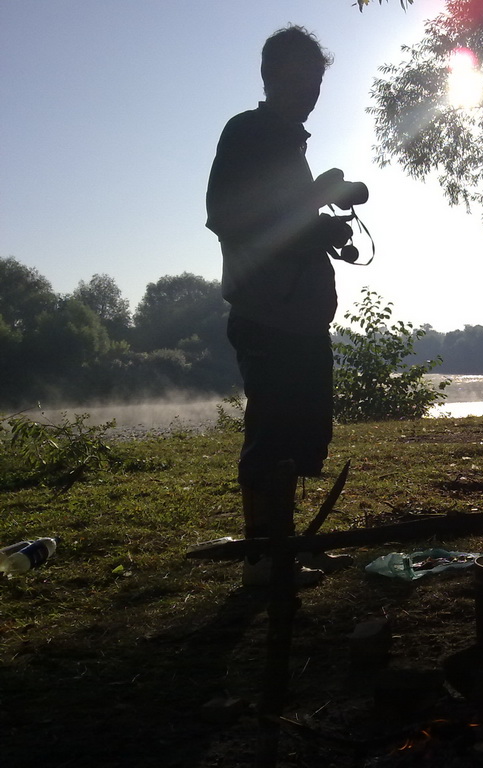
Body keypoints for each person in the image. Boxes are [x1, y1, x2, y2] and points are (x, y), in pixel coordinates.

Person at [206, 26, 355, 587]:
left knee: (298, 433)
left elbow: (283, 222)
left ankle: (285, 550)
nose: (310, 91)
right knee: (271, 434)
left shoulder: (289, 143)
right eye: (298, 79)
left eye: (316, 82)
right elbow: (229, 216)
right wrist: (316, 207)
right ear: (270, 78)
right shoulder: (248, 132)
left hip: (301, 315)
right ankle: (263, 562)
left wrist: (319, 224)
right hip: (268, 314)